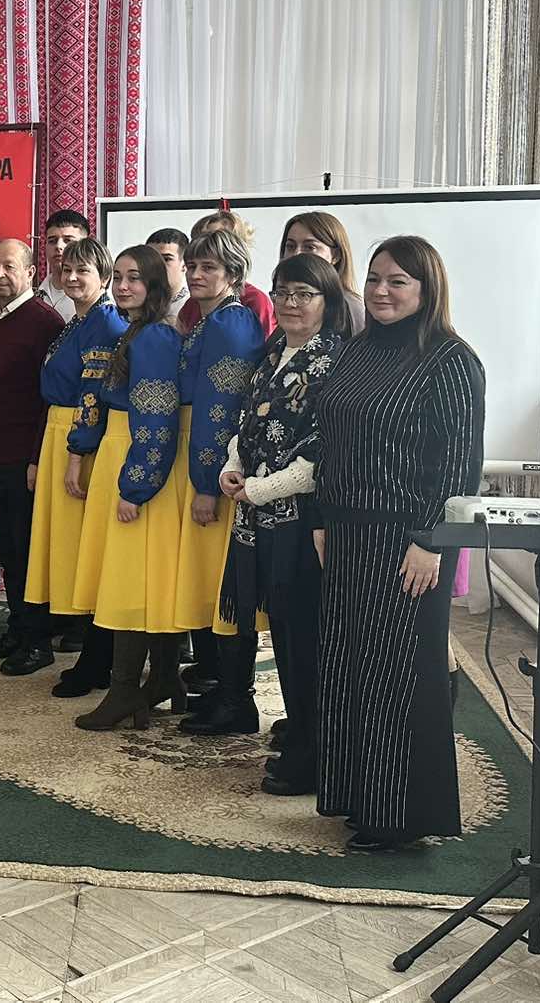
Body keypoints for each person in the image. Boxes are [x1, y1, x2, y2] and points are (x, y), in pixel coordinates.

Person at [311, 235, 484, 851]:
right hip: (346, 532)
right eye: (375, 279)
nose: (381, 291)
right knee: (349, 669)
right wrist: (323, 518)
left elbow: (457, 465)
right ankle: (359, 797)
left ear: (427, 289)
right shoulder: (358, 349)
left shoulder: (451, 360)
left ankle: (399, 817)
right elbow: (331, 440)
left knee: (398, 677)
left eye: (398, 281)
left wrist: (430, 541)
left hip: (409, 542)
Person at [218, 254, 351, 795]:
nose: (291, 303)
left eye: (304, 294)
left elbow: (323, 454)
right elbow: (247, 422)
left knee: (304, 643)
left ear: (327, 300)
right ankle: (301, 733)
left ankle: (314, 755)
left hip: (302, 523)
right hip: (260, 518)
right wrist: (232, 466)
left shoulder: (336, 360)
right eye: (283, 292)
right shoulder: (275, 350)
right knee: (286, 636)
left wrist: (259, 489)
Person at [69, 245, 186, 731]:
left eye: (134, 277)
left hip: (138, 463)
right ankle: (163, 679)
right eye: (117, 276)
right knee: (140, 578)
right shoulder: (139, 331)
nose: (121, 286)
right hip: (125, 455)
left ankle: (125, 691)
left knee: (130, 581)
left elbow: (156, 417)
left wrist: (135, 487)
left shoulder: (154, 336)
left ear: (155, 284)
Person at [171, 230, 266, 734]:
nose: (195, 274)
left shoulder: (230, 324)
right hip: (204, 460)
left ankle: (235, 699)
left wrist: (207, 484)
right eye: (191, 265)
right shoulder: (215, 319)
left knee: (224, 587)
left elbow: (220, 412)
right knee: (211, 584)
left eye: (208, 267)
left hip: (217, 469)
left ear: (233, 274)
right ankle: (219, 687)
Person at [26, 238, 127, 692]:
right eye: (66, 269)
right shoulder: (79, 319)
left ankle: (96, 658)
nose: (70, 278)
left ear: (103, 277)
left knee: (85, 551)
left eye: (82, 270)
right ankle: (90, 651)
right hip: (60, 433)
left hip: (80, 440)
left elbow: (92, 397)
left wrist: (76, 456)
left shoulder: (103, 322)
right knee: (70, 549)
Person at [0, 239, 64, 671]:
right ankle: (18, 629)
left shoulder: (44, 322)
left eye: (9, 266)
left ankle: (38, 642)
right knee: (7, 549)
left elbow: (49, 399)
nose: (0, 274)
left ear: (30, 272)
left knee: (28, 552)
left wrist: (37, 458)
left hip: (24, 460)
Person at [177, 212, 275, 335]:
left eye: (218, 238)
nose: (205, 244)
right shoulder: (193, 302)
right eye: (199, 238)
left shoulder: (255, 300)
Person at [279, 211, 366, 332]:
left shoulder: (346, 308)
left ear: (336, 255)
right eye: (290, 246)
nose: (296, 254)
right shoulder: (285, 302)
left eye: (310, 247)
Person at [38, 210, 90, 321]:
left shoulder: (93, 298)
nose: (59, 246)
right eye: (52, 241)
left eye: (68, 240)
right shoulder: (35, 293)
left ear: (86, 246)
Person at [144, 227, 190, 320]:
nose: (157, 265)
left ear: (185, 264)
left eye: (166, 259)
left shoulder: (196, 309)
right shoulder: (135, 303)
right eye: (151, 259)